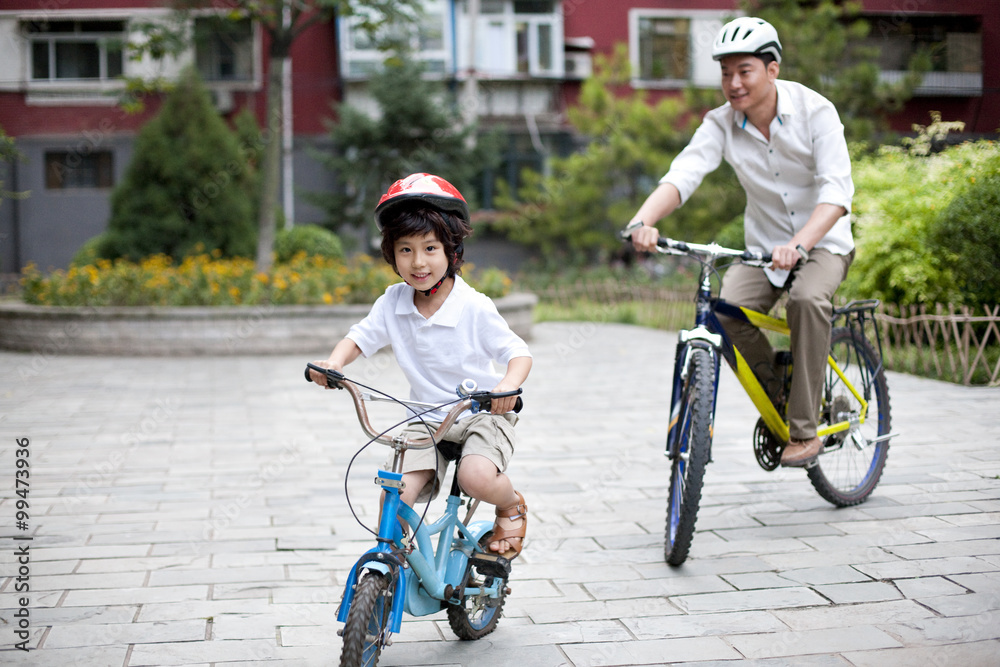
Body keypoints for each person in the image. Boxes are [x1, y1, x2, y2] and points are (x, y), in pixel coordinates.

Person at [628, 17, 855, 468]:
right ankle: (783, 396)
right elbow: (684, 174)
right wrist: (643, 219)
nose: (733, 83)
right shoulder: (721, 124)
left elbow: (837, 193)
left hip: (823, 242)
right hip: (761, 251)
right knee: (725, 310)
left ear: (772, 70)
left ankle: (804, 431)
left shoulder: (816, 111)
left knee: (807, 300)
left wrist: (801, 244)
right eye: (726, 73)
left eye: (744, 71)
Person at [308, 173, 532, 559]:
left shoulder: (473, 306)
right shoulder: (393, 302)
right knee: (394, 495)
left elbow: (518, 353)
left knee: (475, 477)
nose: (418, 261)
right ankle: (393, 568)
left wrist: (505, 388)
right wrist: (334, 362)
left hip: (480, 413)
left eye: (430, 248)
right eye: (405, 249)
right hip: (426, 417)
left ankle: (510, 504)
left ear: (452, 252)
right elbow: (360, 337)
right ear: (392, 255)